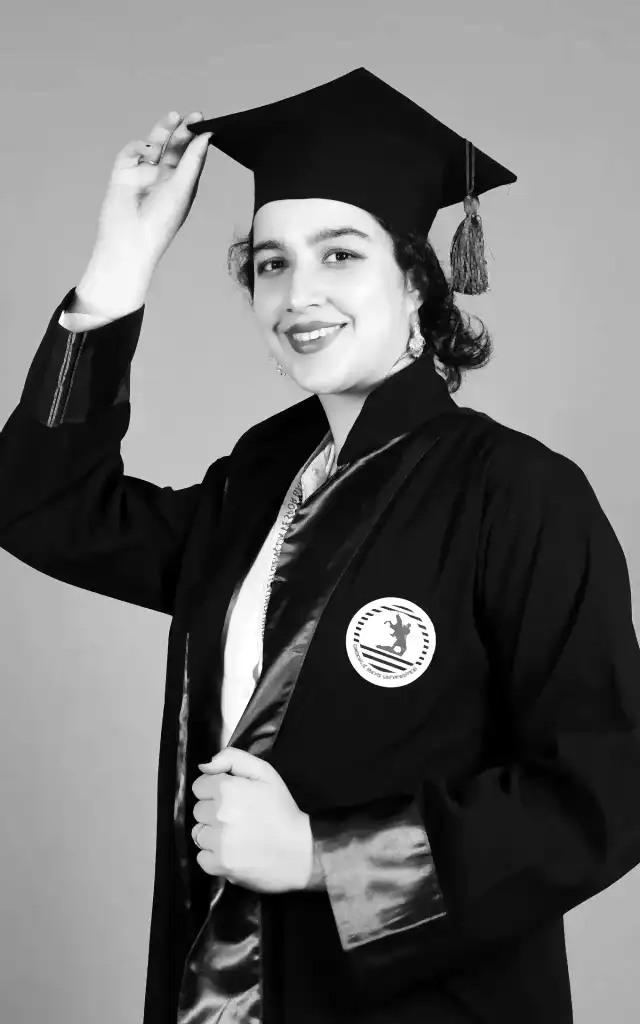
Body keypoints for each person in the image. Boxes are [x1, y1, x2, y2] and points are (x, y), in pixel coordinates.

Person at [1, 66, 640, 1024]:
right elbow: (42, 506)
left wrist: (323, 857)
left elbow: (604, 789)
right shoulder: (258, 483)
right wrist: (122, 261)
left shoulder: (516, 492)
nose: (299, 294)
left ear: (417, 281)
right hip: (225, 994)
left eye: (341, 254)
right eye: (271, 263)